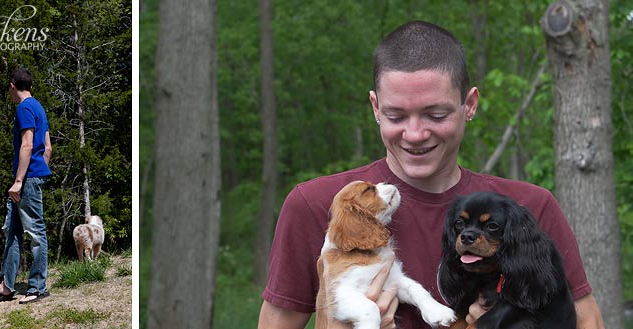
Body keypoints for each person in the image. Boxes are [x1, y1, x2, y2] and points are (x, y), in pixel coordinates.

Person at [257, 21, 604, 328]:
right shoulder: (319, 205)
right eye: (396, 116)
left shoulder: (529, 206)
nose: (415, 134)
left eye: (436, 115)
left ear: (469, 105)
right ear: (376, 107)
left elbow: (585, 320)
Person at [0, 68, 52, 305]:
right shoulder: (39, 107)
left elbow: (27, 144)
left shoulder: (24, 108)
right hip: (32, 176)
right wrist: (38, 170)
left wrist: (21, 180)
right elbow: (48, 148)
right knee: (11, 231)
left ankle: (37, 287)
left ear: (12, 85)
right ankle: (7, 285)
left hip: (26, 181)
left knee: (35, 232)